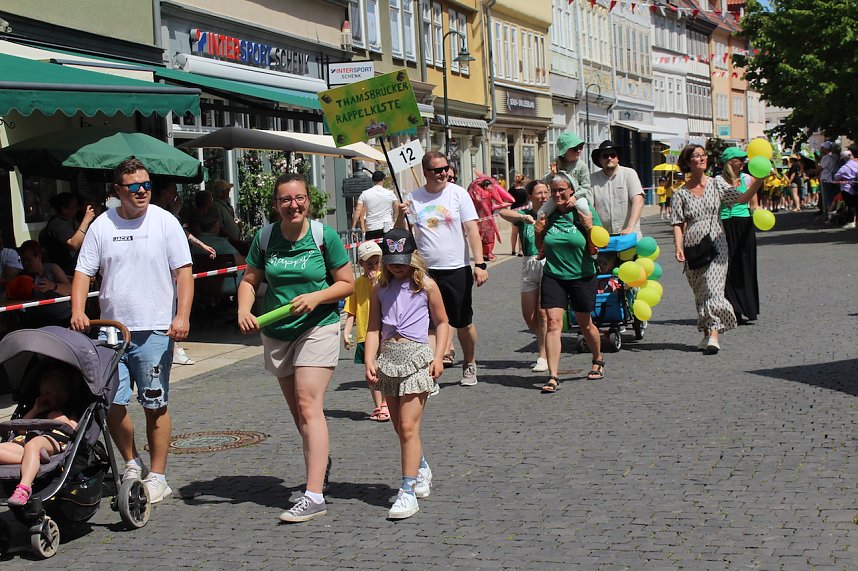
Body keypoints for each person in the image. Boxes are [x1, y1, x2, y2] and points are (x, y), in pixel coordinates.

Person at [71, 158, 194, 503]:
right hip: (111, 332)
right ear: (117, 191)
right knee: (112, 403)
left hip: (155, 328)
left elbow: (183, 272)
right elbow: (83, 272)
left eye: (147, 185)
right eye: (134, 186)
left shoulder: (164, 222)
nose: (142, 191)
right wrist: (78, 310)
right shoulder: (101, 226)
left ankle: (158, 475)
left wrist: (182, 316)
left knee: (155, 404)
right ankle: (131, 462)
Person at [237, 173, 353, 523]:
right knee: (300, 415)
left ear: (308, 200)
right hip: (276, 330)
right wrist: (244, 309)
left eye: (299, 198)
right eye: (285, 200)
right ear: (276, 205)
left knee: (308, 402)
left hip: (317, 326)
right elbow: (250, 279)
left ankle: (313, 494)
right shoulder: (265, 236)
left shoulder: (324, 236)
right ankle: (320, 460)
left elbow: (348, 283)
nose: (293, 205)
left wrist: (317, 296)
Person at [364, 228, 450, 520]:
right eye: (390, 260)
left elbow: (442, 322)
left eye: (401, 259)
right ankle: (421, 466)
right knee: (399, 429)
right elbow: (373, 327)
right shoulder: (379, 288)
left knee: (408, 426)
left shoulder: (426, 285)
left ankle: (407, 490)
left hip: (417, 359)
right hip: (388, 360)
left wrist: (439, 356)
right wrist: (369, 359)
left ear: (413, 257)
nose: (396, 265)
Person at [396, 151, 488, 387]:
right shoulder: (413, 197)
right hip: (425, 270)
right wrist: (400, 215)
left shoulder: (458, 194)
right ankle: (431, 372)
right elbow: (402, 234)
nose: (444, 173)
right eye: (438, 170)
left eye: (446, 168)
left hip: (456, 267)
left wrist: (479, 264)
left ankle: (470, 363)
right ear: (426, 172)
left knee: (462, 322)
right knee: (428, 324)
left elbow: (472, 230)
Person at [671, 145, 762, 354]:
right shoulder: (680, 194)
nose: (702, 158)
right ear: (687, 162)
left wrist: (757, 184)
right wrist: (678, 246)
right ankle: (706, 331)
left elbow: (739, 199)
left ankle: (714, 333)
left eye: (703, 155)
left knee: (714, 288)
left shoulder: (717, 183)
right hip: (693, 244)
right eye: (696, 156)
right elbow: (677, 223)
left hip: (717, 242)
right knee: (701, 291)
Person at [535, 173, 603, 392]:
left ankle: (598, 358)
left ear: (571, 189)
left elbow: (600, 243)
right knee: (554, 323)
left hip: (582, 275)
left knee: (585, 323)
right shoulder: (549, 215)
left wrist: (590, 226)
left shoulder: (583, 211)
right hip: (554, 275)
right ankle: (553, 376)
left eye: (561, 190)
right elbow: (540, 248)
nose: (557, 194)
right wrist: (538, 232)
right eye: (553, 191)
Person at [152, 180, 214, 366]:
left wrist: (201, 245)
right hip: (162, 266)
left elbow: (182, 232)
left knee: (173, 300)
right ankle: (174, 347)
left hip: (171, 266)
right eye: (172, 190)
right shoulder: (157, 212)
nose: (175, 195)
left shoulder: (169, 214)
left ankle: (173, 346)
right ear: (164, 192)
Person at [1, 365, 79, 506]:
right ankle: (32, 460)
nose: (44, 397)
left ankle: (24, 488)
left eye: (48, 393)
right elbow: (20, 429)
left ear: (63, 396)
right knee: (6, 447)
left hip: (52, 441)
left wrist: (59, 417)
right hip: (24, 442)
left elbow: (74, 430)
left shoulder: (67, 412)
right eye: (42, 393)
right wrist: (35, 410)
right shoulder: (38, 411)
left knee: (34, 443)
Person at [497, 180, 550, 373]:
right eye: (539, 193)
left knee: (543, 313)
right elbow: (502, 212)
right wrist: (524, 218)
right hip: (529, 263)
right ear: (530, 197)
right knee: (529, 315)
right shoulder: (525, 215)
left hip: (549, 264)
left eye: (546, 192)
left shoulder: (551, 213)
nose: (544, 196)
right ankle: (549, 339)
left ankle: (543, 355)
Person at [343, 240, 388, 422]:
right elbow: (351, 311)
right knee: (370, 373)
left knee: (384, 370)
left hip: (383, 333)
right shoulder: (357, 284)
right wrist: (346, 332)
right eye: (369, 263)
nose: (374, 266)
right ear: (361, 263)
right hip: (364, 334)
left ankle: (386, 403)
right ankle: (378, 404)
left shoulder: (385, 280)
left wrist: (375, 282)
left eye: (377, 262)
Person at [717, 148, 760, 324]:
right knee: (728, 267)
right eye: (740, 159)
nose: (744, 162)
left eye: (744, 159)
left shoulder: (747, 179)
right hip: (725, 224)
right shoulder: (718, 181)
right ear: (729, 161)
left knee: (746, 265)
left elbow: (754, 204)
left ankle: (747, 306)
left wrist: (758, 216)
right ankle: (732, 308)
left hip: (744, 224)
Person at [589, 140, 645, 238]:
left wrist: (630, 227)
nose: (609, 158)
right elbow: (589, 208)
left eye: (613, 155)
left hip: (629, 234)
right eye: (605, 156)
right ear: (600, 160)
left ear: (618, 158)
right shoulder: (592, 179)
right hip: (604, 238)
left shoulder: (629, 174)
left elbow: (638, 200)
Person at [38, 192, 96, 276]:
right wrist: (86, 220)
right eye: (74, 206)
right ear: (64, 209)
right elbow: (74, 244)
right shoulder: (57, 224)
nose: (77, 209)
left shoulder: (71, 221)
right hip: (64, 272)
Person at [538, 132, 591, 220]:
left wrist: (575, 197)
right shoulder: (556, 162)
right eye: (574, 148)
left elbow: (586, 186)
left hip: (578, 196)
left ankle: (587, 231)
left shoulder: (582, 165)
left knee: (584, 209)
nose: (579, 150)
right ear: (565, 151)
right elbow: (544, 181)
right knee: (541, 213)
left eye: (580, 147)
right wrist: (552, 174)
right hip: (559, 196)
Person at [466, 175, 514, 262]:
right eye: (490, 186)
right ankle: (486, 253)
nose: (491, 187)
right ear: (485, 186)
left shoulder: (485, 194)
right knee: (485, 236)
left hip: (485, 219)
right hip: (482, 219)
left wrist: (501, 204)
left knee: (488, 236)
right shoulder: (479, 194)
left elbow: (492, 206)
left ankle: (487, 253)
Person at [353, 171, 399, 240]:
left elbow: (358, 210)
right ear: (383, 179)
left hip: (371, 228)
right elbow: (398, 210)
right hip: (387, 227)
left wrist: (353, 227)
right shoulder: (390, 194)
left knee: (373, 250)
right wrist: (396, 224)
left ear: (372, 180)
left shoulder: (365, 194)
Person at [833, 144, 858, 229]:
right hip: (855, 187)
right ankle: (855, 221)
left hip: (846, 188)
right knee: (855, 204)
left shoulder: (844, 167)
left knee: (850, 205)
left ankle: (851, 222)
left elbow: (836, 177)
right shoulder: (856, 165)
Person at [508, 174, 529, 256]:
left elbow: (508, 199)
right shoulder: (525, 191)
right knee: (521, 231)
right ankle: (520, 250)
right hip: (523, 211)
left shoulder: (512, 189)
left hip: (513, 211)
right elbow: (527, 201)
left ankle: (513, 250)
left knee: (514, 232)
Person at [818, 141, 840, 215]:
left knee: (828, 199)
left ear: (825, 149)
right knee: (835, 197)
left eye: (822, 148)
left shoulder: (826, 157)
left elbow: (820, 168)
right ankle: (837, 213)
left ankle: (829, 215)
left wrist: (812, 170)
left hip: (826, 179)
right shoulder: (836, 157)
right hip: (835, 179)